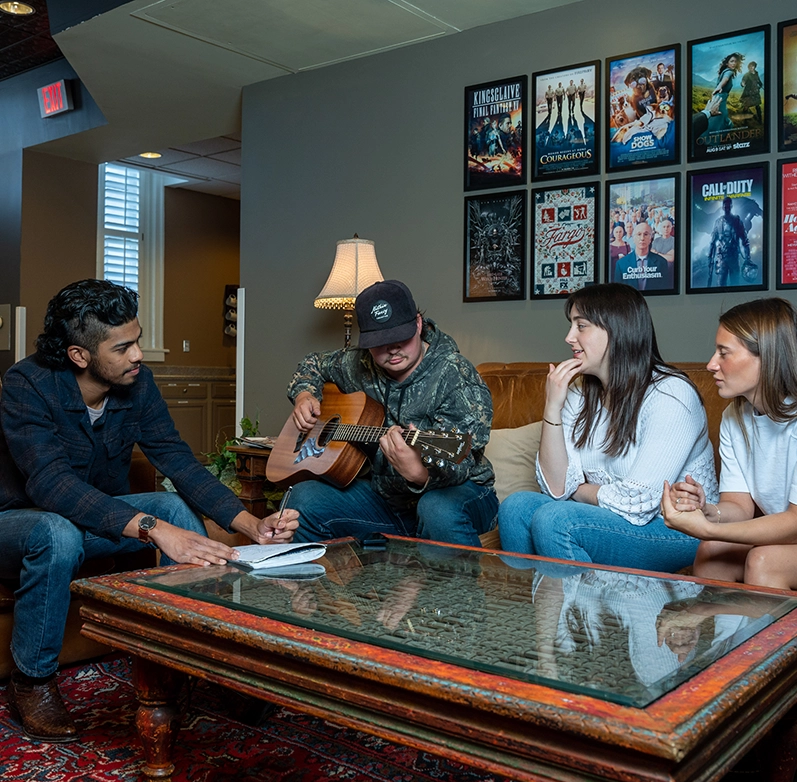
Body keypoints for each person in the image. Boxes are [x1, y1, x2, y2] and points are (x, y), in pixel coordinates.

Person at [0, 279, 299, 742]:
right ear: (80, 356)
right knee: (57, 531)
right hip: (18, 521)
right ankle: (33, 681)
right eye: (124, 347)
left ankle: (206, 664)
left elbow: (177, 459)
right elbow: (50, 484)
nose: (139, 355)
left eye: (138, 340)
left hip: (93, 517)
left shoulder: (137, 384)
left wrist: (251, 524)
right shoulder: (28, 384)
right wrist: (149, 528)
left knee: (171, 504)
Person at [498, 283, 717, 573]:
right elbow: (555, 487)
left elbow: (638, 503)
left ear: (616, 331)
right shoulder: (579, 391)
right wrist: (552, 407)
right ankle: (527, 614)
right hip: (609, 518)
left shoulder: (671, 395)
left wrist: (578, 490)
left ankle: (579, 617)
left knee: (555, 519)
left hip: (677, 529)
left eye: (581, 326)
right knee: (515, 508)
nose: (569, 337)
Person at [286, 279, 497, 547]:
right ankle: (313, 586)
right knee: (304, 498)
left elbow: (463, 459)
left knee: (435, 508)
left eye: (401, 337)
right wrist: (305, 395)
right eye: (380, 342)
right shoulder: (359, 364)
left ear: (418, 324)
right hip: (386, 501)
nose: (392, 349)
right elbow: (312, 363)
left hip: (460, 495)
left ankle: (457, 590)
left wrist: (419, 474)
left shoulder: (455, 375)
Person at [662, 298, 797, 591]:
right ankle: (704, 631)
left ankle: (762, 640)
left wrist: (706, 528)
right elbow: (739, 505)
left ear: (767, 357)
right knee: (712, 551)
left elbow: (794, 521)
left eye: (724, 353)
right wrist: (709, 512)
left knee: (764, 560)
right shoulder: (734, 417)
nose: (711, 364)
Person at [707, 196, 753, 288]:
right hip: (721, 258)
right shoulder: (718, 222)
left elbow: (745, 241)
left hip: (734, 258)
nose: (727, 208)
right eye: (725, 206)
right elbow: (712, 242)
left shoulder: (737, 221)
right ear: (723, 207)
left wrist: (748, 258)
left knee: (735, 285)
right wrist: (710, 258)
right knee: (720, 286)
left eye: (728, 206)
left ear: (731, 206)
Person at [614, 222, 671, 291]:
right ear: (633, 239)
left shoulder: (661, 262)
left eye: (646, 234)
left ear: (650, 239)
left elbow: (665, 290)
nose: (642, 238)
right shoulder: (621, 264)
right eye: (639, 234)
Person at [709, 52, 744, 132]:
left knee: (719, 116)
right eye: (732, 61)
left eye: (735, 61)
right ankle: (713, 138)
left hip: (719, 97)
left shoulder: (725, 71)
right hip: (720, 99)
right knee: (719, 117)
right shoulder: (729, 72)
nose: (734, 63)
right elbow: (725, 79)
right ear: (727, 63)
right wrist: (719, 86)